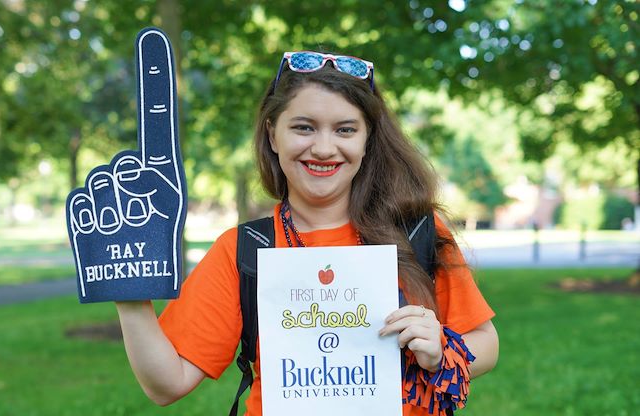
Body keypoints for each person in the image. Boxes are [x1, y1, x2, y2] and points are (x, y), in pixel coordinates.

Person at [116, 51, 499, 415]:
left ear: (367, 139)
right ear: (272, 135)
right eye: (304, 127)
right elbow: (167, 384)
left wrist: (439, 349)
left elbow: (487, 345)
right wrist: (127, 292)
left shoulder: (417, 232)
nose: (323, 148)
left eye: (345, 130)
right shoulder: (245, 251)